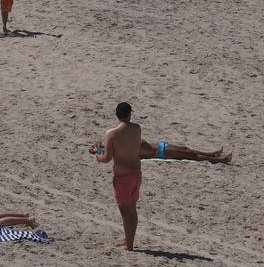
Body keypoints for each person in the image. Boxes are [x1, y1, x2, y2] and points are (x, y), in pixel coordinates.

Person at [93, 101, 143, 250]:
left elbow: (107, 158)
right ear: (129, 114)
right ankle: (129, 240)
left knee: (125, 210)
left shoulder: (112, 133)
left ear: (116, 114)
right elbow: (130, 147)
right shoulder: (137, 129)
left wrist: (97, 153)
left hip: (123, 177)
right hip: (136, 173)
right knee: (132, 209)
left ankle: (129, 245)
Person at [135, 140, 232, 164]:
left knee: (185, 148)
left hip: (159, 146)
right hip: (160, 152)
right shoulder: (127, 149)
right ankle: (220, 160)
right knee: (190, 155)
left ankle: (211, 154)